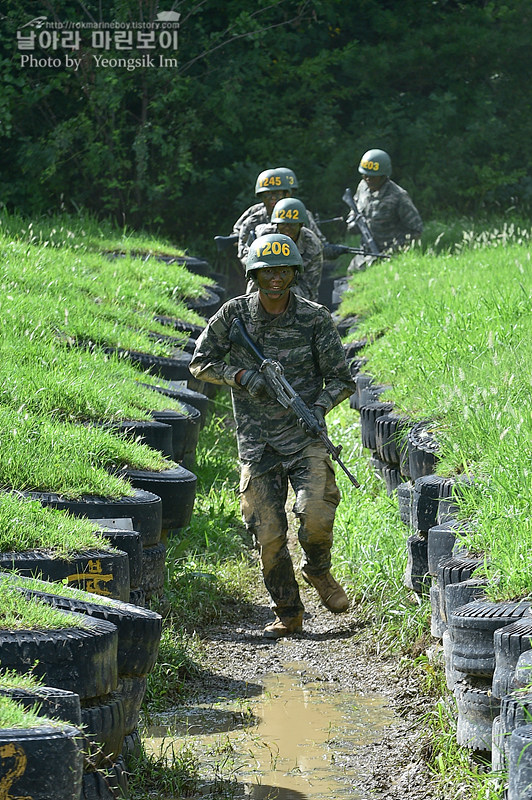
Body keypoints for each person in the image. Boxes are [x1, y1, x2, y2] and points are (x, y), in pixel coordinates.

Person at [189, 233, 356, 639]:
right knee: (267, 535)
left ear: (294, 273)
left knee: (316, 515)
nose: (275, 279)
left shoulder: (314, 318)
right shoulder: (234, 316)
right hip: (257, 442)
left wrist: (316, 408)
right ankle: (288, 611)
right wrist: (242, 377)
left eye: (282, 270)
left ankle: (318, 570)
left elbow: (341, 379)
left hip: (305, 437)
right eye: (267, 272)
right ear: (254, 275)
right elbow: (200, 363)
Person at [347, 148, 423, 271]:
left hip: (388, 257)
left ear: (383, 175)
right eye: (365, 175)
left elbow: (416, 229)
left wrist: (393, 251)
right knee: (349, 278)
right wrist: (352, 220)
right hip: (364, 253)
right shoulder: (362, 187)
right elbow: (354, 207)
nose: (367, 179)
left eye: (373, 176)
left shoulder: (398, 196)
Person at [234, 167, 323, 263]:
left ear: (287, 194)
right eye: (267, 194)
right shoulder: (252, 219)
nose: (273, 198)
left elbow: (317, 244)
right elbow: (244, 254)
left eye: (277, 193)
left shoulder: (300, 214)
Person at [243, 198, 323, 303]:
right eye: (283, 224)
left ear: (301, 225)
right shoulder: (264, 235)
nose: (287, 228)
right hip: (267, 276)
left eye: (292, 224)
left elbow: (311, 284)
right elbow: (248, 256)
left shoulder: (312, 244)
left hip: (296, 283)